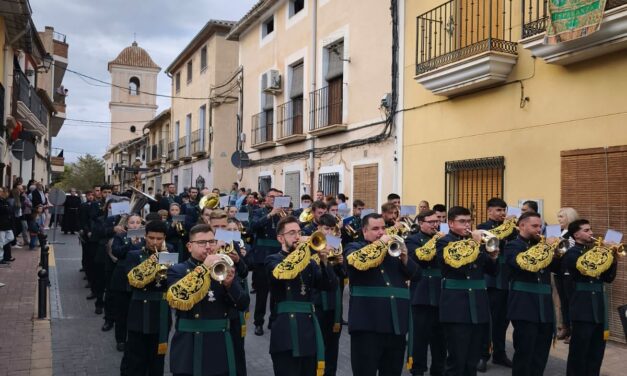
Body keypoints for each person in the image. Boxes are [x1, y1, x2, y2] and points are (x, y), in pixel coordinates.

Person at [166, 224, 249, 376]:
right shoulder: (176, 270)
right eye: (202, 243)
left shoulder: (224, 266)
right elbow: (177, 297)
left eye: (212, 242)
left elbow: (243, 304)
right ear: (189, 246)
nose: (208, 246)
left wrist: (230, 285)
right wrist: (204, 267)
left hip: (220, 342)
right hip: (190, 344)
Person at [345, 213, 417, 375]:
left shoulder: (394, 252)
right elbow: (357, 263)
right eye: (375, 229)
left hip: (394, 325)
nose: (381, 232)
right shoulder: (354, 247)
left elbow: (416, 275)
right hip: (367, 326)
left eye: (383, 228)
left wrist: (405, 256)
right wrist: (380, 244)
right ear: (364, 231)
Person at [267, 216, 335, 376]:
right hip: (284, 330)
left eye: (299, 232)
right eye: (292, 233)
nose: (298, 237)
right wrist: (308, 249)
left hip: (308, 328)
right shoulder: (272, 259)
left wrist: (325, 261)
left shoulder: (310, 262)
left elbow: (329, 286)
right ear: (280, 238)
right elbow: (284, 272)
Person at [436, 206, 498, 375]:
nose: (467, 225)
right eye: (462, 221)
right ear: (450, 223)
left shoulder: (476, 243)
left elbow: (492, 271)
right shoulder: (444, 242)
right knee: (457, 360)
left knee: (472, 360)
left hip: (478, 306)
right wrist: (475, 244)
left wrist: (493, 257)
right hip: (456, 307)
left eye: (469, 221)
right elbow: (458, 266)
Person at [505, 212, 561, 376]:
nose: (539, 229)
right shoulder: (513, 245)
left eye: (540, 226)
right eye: (535, 226)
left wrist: (557, 254)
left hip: (544, 306)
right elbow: (525, 264)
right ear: (522, 226)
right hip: (524, 305)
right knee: (525, 352)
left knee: (541, 354)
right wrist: (546, 248)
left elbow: (557, 269)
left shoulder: (543, 246)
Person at [564, 219, 617, 376]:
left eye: (591, 229)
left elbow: (608, 278)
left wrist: (613, 257)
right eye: (586, 230)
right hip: (582, 308)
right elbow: (587, 269)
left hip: (599, 307)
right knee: (579, 352)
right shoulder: (572, 253)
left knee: (596, 352)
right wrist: (603, 251)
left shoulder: (595, 251)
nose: (591, 233)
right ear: (576, 234)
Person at [121, 219, 173, 376]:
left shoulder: (170, 252)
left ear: (164, 238)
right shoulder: (134, 254)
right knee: (135, 358)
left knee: (157, 359)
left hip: (161, 311)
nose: (155, 242)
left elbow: (171, 280)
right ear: (145, 236)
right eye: (151, 238)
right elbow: (133, 282)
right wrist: (155, 261)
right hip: (138, 310)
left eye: (159, 238)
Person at [477, 198, 516, 371]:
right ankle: (483, 355)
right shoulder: (483, 227)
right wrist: (507, 227)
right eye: (499, 210)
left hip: (506, 279)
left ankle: (500, 354)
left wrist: (514, 227)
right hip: (490, 280)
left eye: (504, 210)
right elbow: (491, 241)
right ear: (489, 211)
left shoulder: (512, 229)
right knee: (488, 320)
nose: (502, 214)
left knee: (503, 321)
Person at [405, 210, 445, 376]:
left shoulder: (445, 240)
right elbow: (418, 258)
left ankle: (439, 369)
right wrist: (436, 240)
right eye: (431, 222)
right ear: (421, 223)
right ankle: (418, 369)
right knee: (420, 337)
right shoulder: (412, 239)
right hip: (421, 292)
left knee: (441, 339)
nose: (435, 224)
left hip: (441, 293)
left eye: (437, 221)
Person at [311, 214, 345, 376]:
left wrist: (339, 263)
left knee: (333, 345)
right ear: (318, 228)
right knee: (317, 343)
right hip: (317, 302)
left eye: (332, 229)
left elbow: (344, 274)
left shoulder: (336, 244)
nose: (329, 232)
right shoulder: (312, 244)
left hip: (334, 302)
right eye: (326, 229)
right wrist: (322, 259)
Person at [250, 188, 284, 335]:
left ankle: (273, 321)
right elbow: (253, 226)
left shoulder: (283, 214)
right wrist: (270, 214)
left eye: (277, 197)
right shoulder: (259, 212)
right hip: (262, 259)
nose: (273, 199)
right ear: (266, 198)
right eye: (271, 197)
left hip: (278, 256)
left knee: (277, 292)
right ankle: (258, 322)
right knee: (262, 294)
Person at [109, 214, 144, 352]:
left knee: (136, 312)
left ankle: (135, 339)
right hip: (122, 279)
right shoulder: (121, 237)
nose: (135, 225)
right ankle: (121, 339)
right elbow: (117, 252)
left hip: (139, 278)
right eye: (132, 223)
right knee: (121, 312)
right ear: (127, 225)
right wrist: (130, 243)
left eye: (137, 222)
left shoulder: (145, 237)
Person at [555, 207, 579, 343]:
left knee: (571, 301)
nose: (559, 220)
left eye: (561, 217)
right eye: (558, 217)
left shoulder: (573, 233)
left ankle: (574, 330)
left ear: (569, 217)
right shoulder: (559, 231)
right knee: (563, 301)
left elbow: (570, 249)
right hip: (559, 271)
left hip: (569, 272)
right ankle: (566, 327)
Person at [0, 187, 16, 264]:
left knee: (11, 237)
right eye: (5, 192)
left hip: (7, 224)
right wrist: (6, 208)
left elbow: (10, 210)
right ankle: (0, 258)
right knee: (1, 241)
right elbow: (4, 210)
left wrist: (6, 208)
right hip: (1, 225)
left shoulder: (6, 201)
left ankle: (1, 246)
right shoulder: (2, 201)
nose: (7, 194)